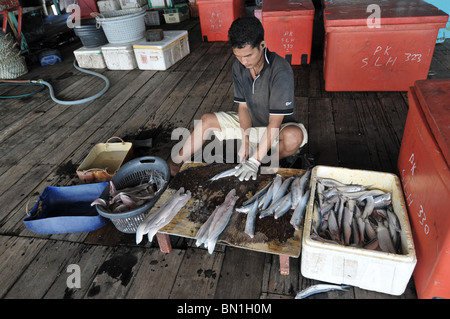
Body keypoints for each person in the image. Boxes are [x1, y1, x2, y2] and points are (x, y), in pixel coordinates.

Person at [168, 16, 308, 180]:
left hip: (278, 128)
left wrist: (254, 161)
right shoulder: (239, 67)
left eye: (248, 55)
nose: (244, 61)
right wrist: (245, 139)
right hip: (252, 124)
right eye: (238, 56)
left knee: (294, 136)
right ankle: (174, 164)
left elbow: (275, 122)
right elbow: (243, 107)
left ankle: (265, 162)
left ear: (262, 45)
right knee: (206, 120)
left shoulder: (280, 70)